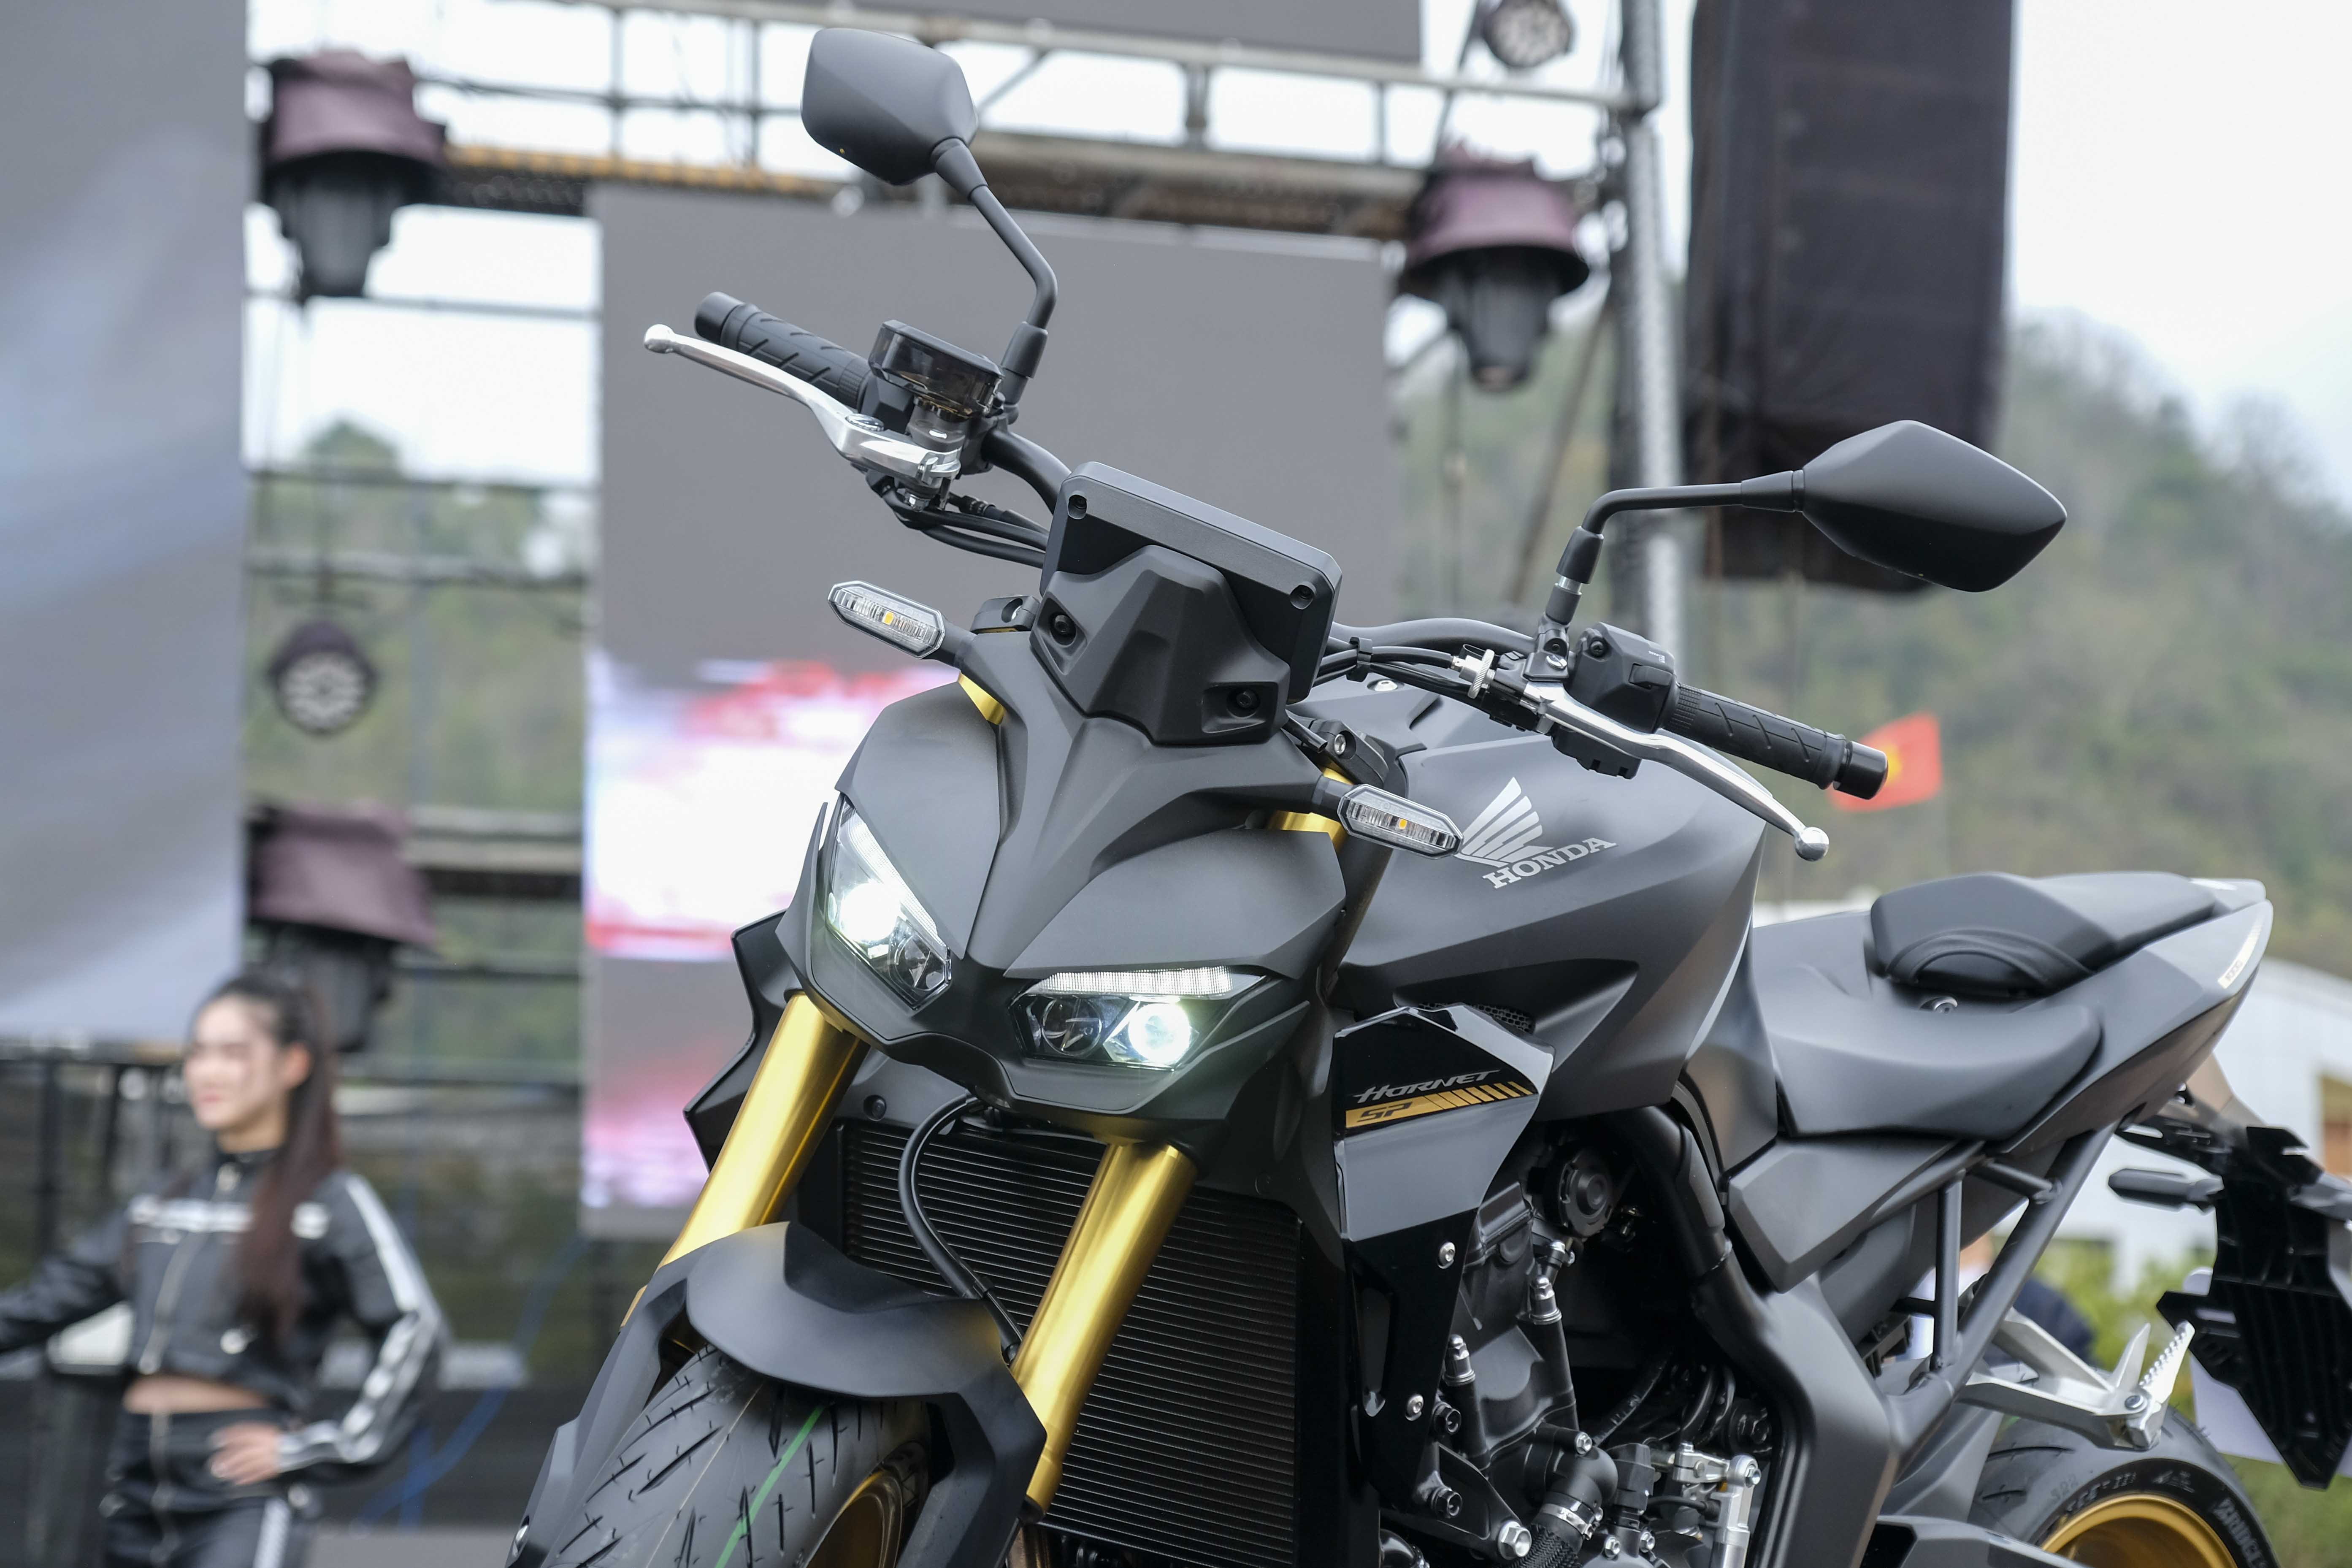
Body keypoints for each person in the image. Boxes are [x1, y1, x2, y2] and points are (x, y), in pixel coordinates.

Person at [0, 971, 444, 1567]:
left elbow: (416, 1328)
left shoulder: (330, 1201)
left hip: (239, 1493)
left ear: (293, 1064)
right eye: (198, 1053)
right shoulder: (161, 1203)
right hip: (131, 1485)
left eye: (233, 1053)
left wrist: (328, 1447)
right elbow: (39, 1305)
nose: (207, 1072)